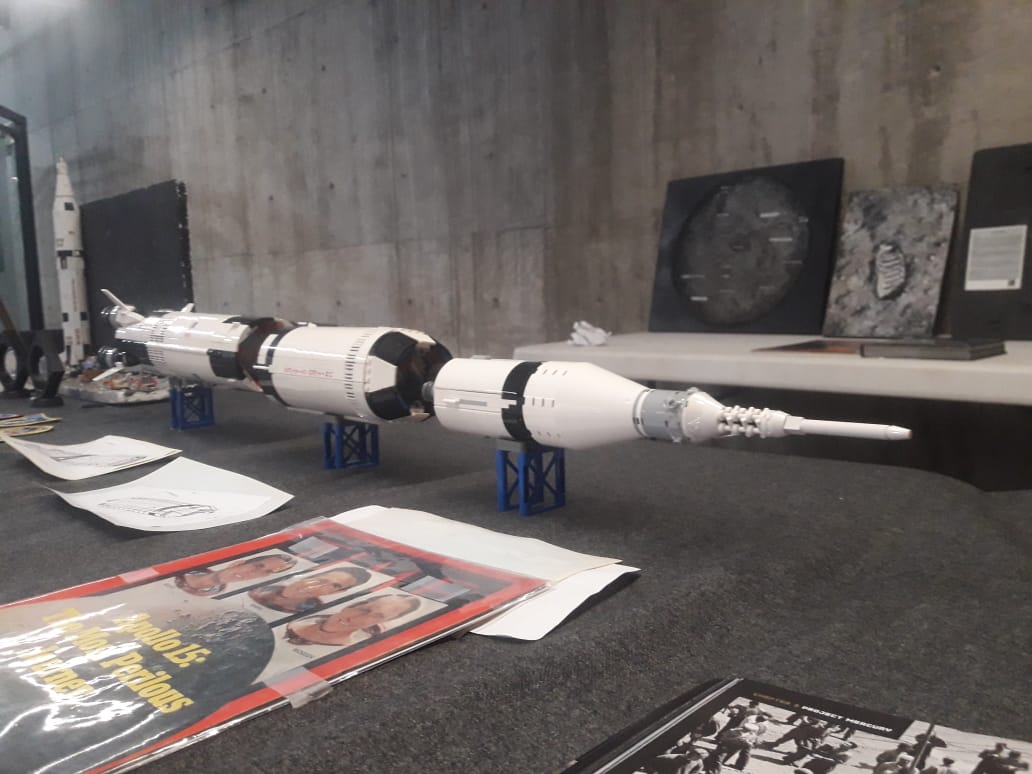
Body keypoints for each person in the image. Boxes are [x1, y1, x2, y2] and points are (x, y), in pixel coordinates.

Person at [284, 594, 421, 647]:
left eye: (377, 616)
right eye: (365, 609)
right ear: (353, 605)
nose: (356, 618)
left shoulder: (347, 649)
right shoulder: (298, 617)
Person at [248, 566, 372, 613]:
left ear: (339, 592)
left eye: (334, 586)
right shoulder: (259, 586)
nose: (317, 586)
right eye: (322, 579)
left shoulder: (313, 611)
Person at [174, 554, 297, 596]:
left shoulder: (216, 596)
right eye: (258, 566)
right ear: (238, 563)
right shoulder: (186, 566)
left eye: (267, 572)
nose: (253, 573)